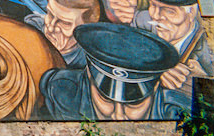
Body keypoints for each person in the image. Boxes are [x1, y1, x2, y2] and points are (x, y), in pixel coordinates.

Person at [39, 22, 188, 120]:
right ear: (89, 75)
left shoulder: (176, 110)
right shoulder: (63, 90)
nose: (118, 116)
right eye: (106, 99)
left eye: (134, 103)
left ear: (155, 88)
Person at [111, 0, 214, 87]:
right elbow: (122, 49)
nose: (155, 16)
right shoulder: (142, 21)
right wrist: (156, 68)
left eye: (169, 11)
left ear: (191, 12)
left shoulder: (208, 50)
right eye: (152, 5)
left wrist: (199, 81)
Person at [41, 0, 103, 68]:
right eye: (50, 15)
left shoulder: (87, 67)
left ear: (85, 31)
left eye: (65, 23)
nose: (51, 28)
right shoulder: (29, 31)